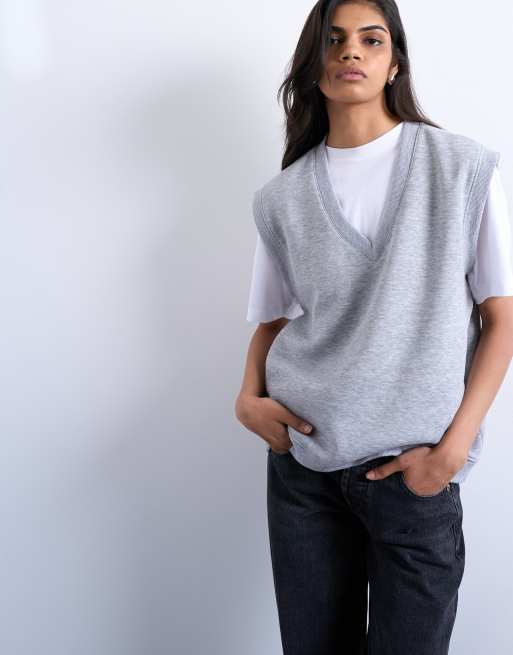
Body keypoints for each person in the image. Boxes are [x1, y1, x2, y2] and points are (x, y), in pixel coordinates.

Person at [234, 1, 513, 653]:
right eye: (333, 40)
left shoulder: (460, 167)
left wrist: (451, 453)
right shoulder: (282, 197)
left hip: (413, 475)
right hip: (305, 474)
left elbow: (500, 318)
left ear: (394, 64)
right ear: (313, 64)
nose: (350, 51)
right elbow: (272, 321)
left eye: (371, 39)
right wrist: (247, 398)